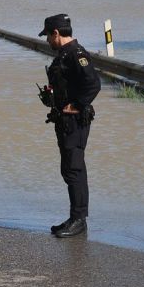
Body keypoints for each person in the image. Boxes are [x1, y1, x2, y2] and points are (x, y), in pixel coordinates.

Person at [39, 14, 100, 238]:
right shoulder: (64, 54)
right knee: (70, 169)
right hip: (65, 121)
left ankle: (79, 219)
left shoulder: (76, 54)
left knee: (74, 169)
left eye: (47, 35)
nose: (46, 40)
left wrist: (75, 105)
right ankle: (75, 217)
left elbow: (93, 84)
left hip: (75, 121)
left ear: (56, 33)